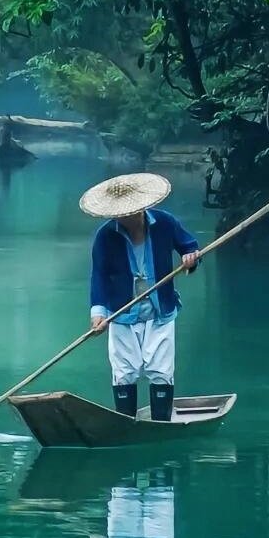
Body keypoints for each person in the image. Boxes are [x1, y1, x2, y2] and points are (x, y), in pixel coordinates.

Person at [81, 172, 201, 422]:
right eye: (119, 212)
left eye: (128, 211)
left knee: (160, 369)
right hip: (122, 313)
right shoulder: (105, 236)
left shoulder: (165, 223)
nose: (124, 216)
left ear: (140, 207)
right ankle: (126, 424)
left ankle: (160, 423)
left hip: (161, 312)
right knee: (124, 371)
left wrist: (190, 258)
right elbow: (99, 275)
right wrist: (98, 314)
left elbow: (190, 247)